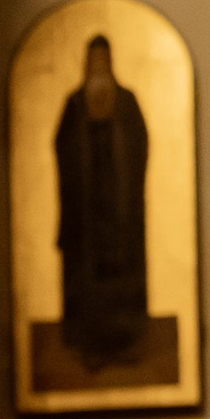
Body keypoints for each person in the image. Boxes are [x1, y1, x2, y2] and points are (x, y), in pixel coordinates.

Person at [55, 34, 150, 373]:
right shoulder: (75, 105)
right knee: (86, 280)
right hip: (85, 214)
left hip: (121, 210)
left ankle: (124, 344)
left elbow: (140, 144)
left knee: (123, 278)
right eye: (93, 60)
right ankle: (89, 347)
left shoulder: (125, 102)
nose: (99, 67)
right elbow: (63, 150)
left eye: (103, 60)